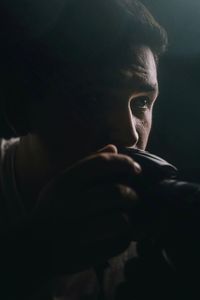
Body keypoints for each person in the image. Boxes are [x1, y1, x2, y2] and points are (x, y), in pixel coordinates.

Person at [1, 0, 198, 299]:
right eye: (93, 100)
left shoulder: (157, 219)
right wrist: (29, 261)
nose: (129, 134)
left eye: (142, 102)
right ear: (19, 110)